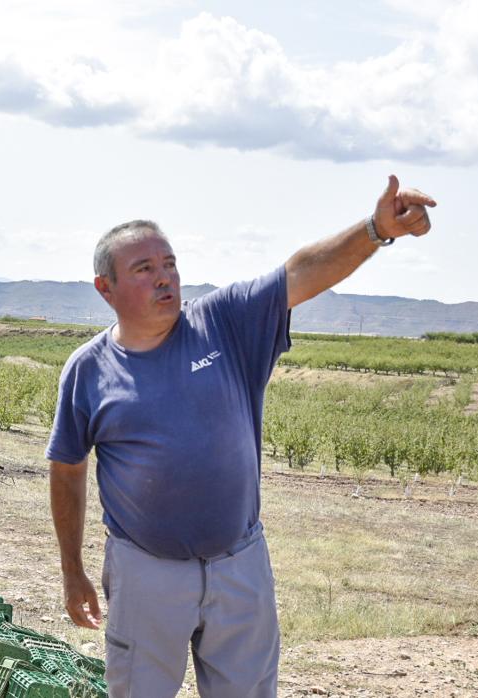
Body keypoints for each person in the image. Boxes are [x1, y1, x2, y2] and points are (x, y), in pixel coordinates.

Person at [47, 176, 436, 698]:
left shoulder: (223, 323)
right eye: (144, 270)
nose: (165, 279)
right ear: (105, 288)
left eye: (169, 264)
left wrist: (374, 230)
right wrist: (73, 572)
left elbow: (299, 273)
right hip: (145, 572)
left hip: (239, 565)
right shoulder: (87, 371)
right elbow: (67, 468)